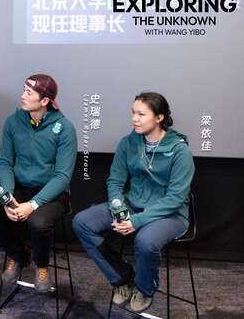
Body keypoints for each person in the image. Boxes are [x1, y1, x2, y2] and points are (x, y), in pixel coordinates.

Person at [73, 92, 194, 313]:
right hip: (133, 203)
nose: (134, 119)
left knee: (145, 241)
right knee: (82, 222)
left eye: (141, 114)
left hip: (171, 214)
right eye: (133, 113)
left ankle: (145, 288)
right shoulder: (128, 143)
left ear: (159, 117)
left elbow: (176, 198)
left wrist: (135, 221)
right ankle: (121, 277)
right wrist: (118, 207)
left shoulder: (180, 150)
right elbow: (115, 181)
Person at [0, 74, 77, 292]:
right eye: (23, 90)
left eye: (29, 92)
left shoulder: (65, 128)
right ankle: (18, 254)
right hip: (19, 188)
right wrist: (8, 196)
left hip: (51, 193)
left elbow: (62, 176)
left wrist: (32, 204)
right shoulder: (13, 122)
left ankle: (41, 265)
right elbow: (5, 161)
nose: (22, 96)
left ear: (45, 100)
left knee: (38, 223)